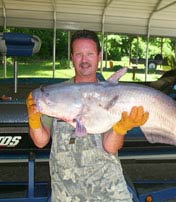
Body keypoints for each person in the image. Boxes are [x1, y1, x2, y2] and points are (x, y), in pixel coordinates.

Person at [26, 30, 149, 201]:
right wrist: (33, 119)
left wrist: (121, 128)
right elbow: (40, 141)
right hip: (66, 194)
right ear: (72, 57)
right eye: (79, 54)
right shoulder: (54, 95)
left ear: (99, 56)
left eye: (90, 54)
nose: (84, 60)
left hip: (108, 192)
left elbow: (111, 147)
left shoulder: (112, 94)